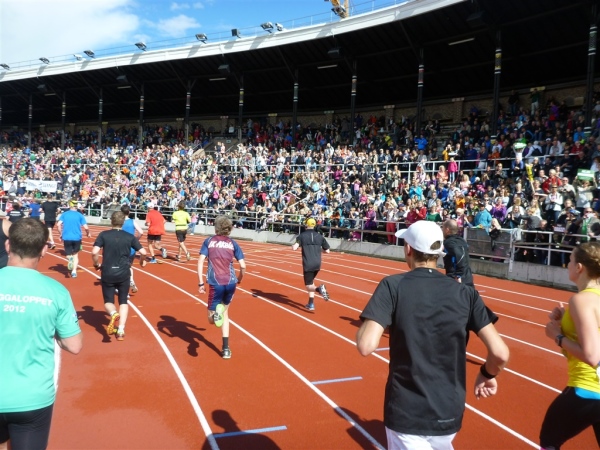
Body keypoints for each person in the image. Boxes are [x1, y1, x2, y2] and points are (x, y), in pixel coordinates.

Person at [356, 220, 509, 449]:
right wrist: (487, 374)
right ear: (439, 252)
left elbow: (366, 345)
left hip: (407, 411)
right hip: (449, 411)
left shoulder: (392, 286)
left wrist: (371, 320)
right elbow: (500, 353)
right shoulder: (466, 293)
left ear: (408, 249)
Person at [0, 218, 83, 449]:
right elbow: (74, 345)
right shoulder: (56, 291)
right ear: (44, 249)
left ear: (8, 245)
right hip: (32, 397)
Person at [540, 241, 600, 448]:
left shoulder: (581, 300)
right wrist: (565, 323)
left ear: (579, 267)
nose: (567, 265)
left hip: (588, 388)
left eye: (570, 260)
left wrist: (557, 336)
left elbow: (592, 356)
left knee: (549, 441)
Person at [92, 211, 147, 341]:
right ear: (123, 222)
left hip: (108, 272)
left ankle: (113, 313)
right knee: (123, 301)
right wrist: (142, 261)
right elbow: (143, 252)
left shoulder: (103, 235)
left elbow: (94, 252)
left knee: (108, 301)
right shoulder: (129, 236)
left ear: (111, 221)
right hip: (124, 273)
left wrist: (96, 264)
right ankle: (121, 330)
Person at [197, 216, 246, 359]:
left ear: (215, 228)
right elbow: (243, 266)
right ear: (230, 229)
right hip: (231, 282)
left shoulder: (209, 241)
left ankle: (216, 315)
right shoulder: (233, 243)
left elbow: (200, 261)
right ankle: (225, 349)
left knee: (211, 320)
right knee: (226, 314)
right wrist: (239, 278)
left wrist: (201, 283)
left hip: (216, 283)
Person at [291, 218, 331, 311]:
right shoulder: (320, 236)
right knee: (311, 282)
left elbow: (294, 248)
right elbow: (327, 251)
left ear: (306, 225)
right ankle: (311, 303)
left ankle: (319, 289)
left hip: (308, 263)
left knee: (308, 285)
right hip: (317, 263)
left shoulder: (302, 236)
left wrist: (293, 246)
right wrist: (318, 249)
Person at [57, 199, 91, 278]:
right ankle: (74, 272)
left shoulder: (64, 214)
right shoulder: (80, 215)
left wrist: (60, 234)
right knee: (76, 255)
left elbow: (58, 224)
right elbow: (86, 227)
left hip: (67, 237)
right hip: (77, 238)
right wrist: (88, 233)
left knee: (69, 254)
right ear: (76, 206)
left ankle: (70, 258)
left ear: (70, 205)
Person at [120, 204, 146, 293]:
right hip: (131, 247)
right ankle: (131, 281)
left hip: (121, 247)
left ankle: (124, 285)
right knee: (129, 266)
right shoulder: (132, 221)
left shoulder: (119, 222)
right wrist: (136, 240)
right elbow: (141, 232)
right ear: (129, 212)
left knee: (121, 267)